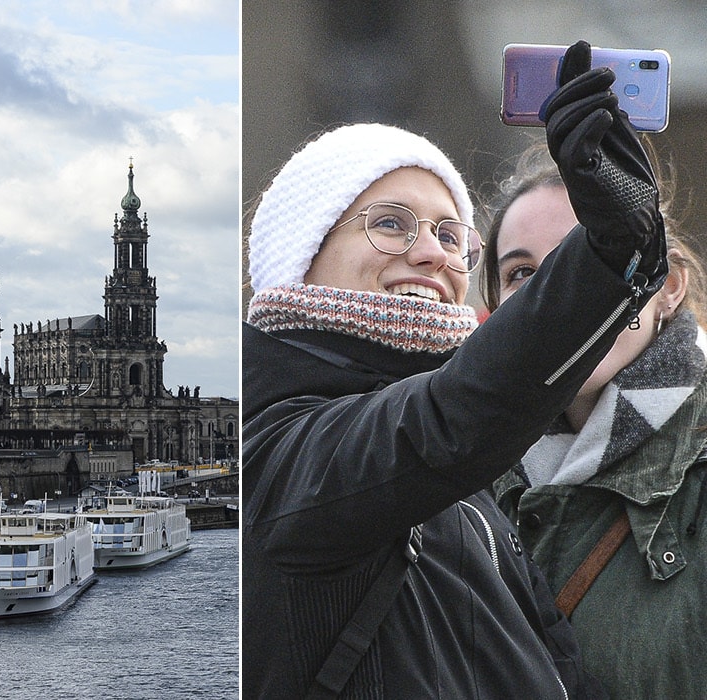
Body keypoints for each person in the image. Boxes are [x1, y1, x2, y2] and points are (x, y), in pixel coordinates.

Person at [243, 42, 665, 698]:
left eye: (449, 236)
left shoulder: (475, 483)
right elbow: (448, 416)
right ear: (301, 256)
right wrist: (613, 250)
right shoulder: (277, 454)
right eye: (390, 224)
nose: (430, 254)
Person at [483, 142, 707, 697]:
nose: (555, 296)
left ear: (669, 287)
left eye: (591, 255)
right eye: (521, 274)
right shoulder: (460, 478)